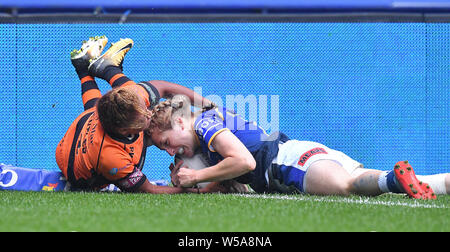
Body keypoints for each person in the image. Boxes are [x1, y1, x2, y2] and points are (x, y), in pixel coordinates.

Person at [147, 95, 450, 200]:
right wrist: (186, 182)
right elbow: (225, 177)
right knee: (362, 180)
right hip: (298, 154)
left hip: (287, 162)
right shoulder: (206, 132)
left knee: (347, 186)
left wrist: (195, 178)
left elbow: (245, 162)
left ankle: (396, 180)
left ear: (180, 124)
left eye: (166, 143)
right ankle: (441, 182)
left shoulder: (204, 124)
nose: (169, 151)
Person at [55, 35, 221, 194]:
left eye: (145, 110)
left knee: (103, 106)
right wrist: (200, 191)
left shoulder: (134, 100)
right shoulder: (110, 156)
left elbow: (164, 87)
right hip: (72, 163)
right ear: (123, 129)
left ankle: (91, 69)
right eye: (142, 118)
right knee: (101, 114)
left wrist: (209, 105)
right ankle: (102, 68)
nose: (149, 114)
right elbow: (148, 189)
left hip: (87, 120)